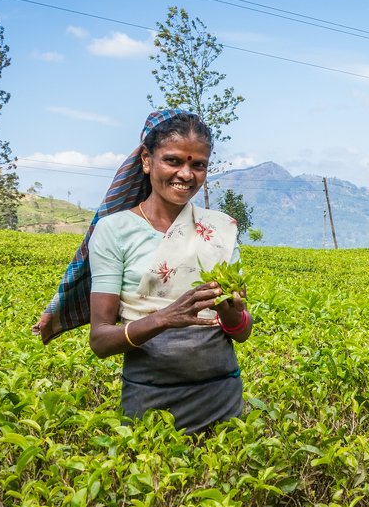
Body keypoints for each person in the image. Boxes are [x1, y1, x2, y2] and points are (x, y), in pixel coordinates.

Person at [33, 110, 251, 434]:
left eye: (198, 165)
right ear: (147, 161)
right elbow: (100, 340)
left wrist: (231, 313)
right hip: (151, 401)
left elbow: (241, 332)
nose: (186, 174)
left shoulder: (220, 228)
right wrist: (165, 318)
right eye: (173, 161)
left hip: (222, 397)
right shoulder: (115, 231)